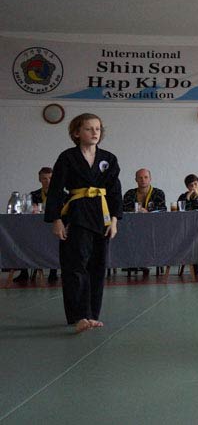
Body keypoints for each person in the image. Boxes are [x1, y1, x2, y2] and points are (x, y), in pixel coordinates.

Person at [44, 113, 122, 333]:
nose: (95, 132)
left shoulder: (108, 158)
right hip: (76, 214)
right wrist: (56, 220)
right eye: (89, 129)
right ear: (77, 133)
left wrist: (114, 221)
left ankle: (91, 315)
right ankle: (79, 316)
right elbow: (56, 189)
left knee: (98, 266)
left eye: (98, 128)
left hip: (102, 215)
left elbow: (115, 191)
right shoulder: (68, 157)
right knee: (76, 265)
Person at [13, 167, 57, 283]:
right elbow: (28, 210)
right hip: (36, 229)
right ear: (40, 180)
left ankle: (53, 272)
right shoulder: (33, 195)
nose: (47, 181)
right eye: (44, 178)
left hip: (54, 230)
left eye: (50, 178)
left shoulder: (61, 195)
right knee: (22, 241)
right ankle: (24, 273)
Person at [121, 168, 167, 277]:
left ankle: (144, 262)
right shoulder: (130, 194)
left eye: (146, 177)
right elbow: (123, 209)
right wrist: (135, 210)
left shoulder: (158, 193)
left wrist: (147, 211)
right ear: (136, 180)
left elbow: (162, 209)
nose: (143, 180)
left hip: (153, 228)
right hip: (132, 228)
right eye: (140, 178)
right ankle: (131, 262)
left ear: (150, 179)